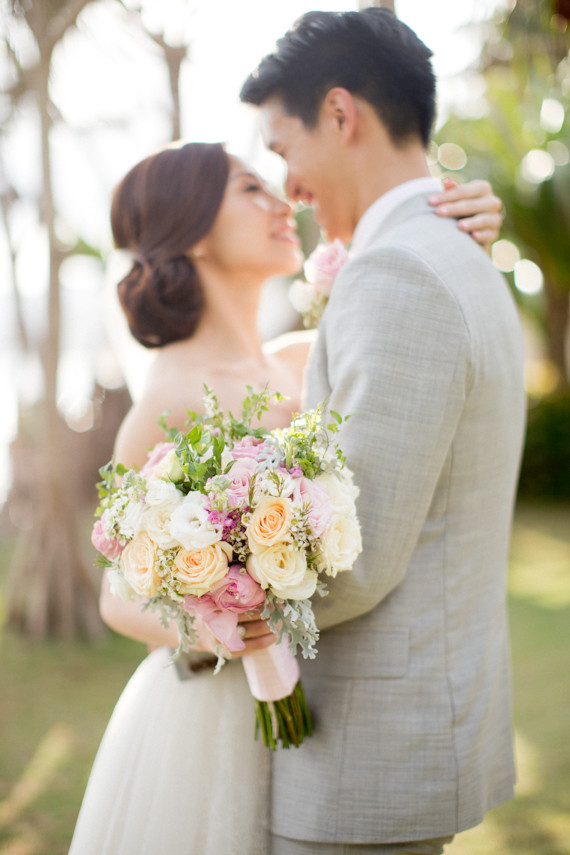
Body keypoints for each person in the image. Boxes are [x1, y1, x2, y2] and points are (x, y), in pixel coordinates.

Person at [69, 134, 505, 853]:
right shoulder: (172, 392)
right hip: (207, 725)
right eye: (251, 189)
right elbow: (118, 591)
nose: (285, 202)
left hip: (324, 717)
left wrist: (462, 227)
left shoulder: (303, 356)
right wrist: (224, 622)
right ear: (193, 229)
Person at [239, 7, 526, 855]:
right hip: (405, 732)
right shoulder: (462, 251)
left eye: (284, 150)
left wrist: (215, 595)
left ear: (339, 113)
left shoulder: (397, 270)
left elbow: (354, 557)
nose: (288, 187)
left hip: (365, 753)